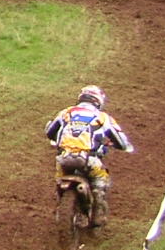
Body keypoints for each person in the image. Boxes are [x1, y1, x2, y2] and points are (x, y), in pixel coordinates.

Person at [45, 85, 133, 228]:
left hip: (63, 159)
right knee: (101, 179)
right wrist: (122, 146)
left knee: (59, 181)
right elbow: (121, 142)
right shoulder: (102, 117)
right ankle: (98, 209)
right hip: (89, 160)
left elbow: (49, 132)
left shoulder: (65, 113)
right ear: (98, 101)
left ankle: (61, 205)